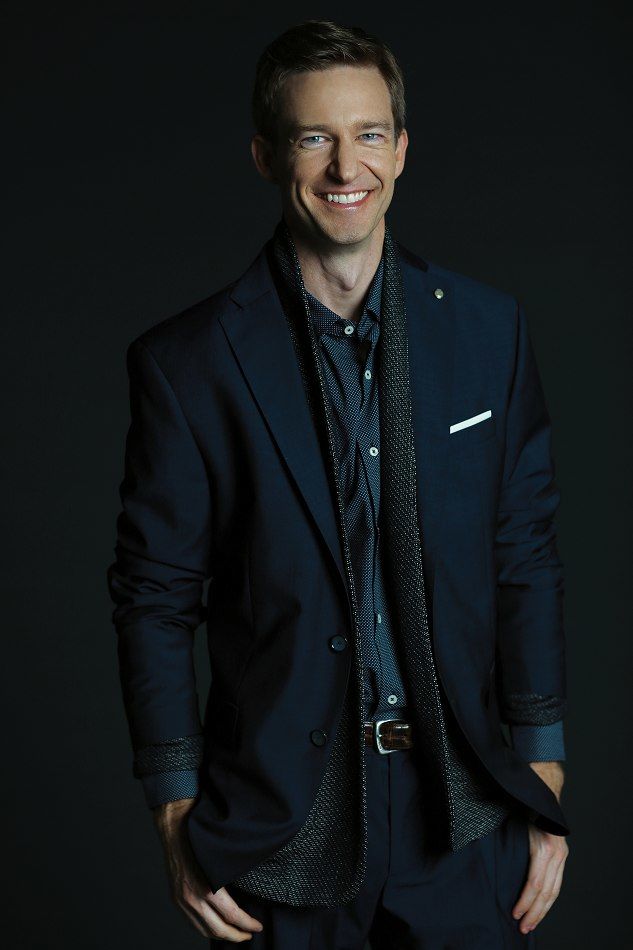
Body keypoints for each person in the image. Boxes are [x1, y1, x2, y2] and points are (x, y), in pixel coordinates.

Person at [107, 18, 570, 948]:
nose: (343, 166)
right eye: (314, 137)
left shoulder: (489, 333)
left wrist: (544, 767)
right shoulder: (187, 364)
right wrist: (173, 804)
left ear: (399, 150)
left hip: (465, 815)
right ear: (266, 155)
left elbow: (521, 555)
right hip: (279, 828)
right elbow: (154, 595)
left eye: (367, 135)